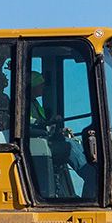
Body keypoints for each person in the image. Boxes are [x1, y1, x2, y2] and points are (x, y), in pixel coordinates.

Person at [28, 70, 94, 198]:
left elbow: (40, 122)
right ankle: (90, 176)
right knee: (68, 146)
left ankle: (91, 175)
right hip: (35, 143)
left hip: (42, 138)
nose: (43, 87)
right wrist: (49, 128)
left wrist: (54, 126)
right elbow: (29, 126)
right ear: (34, 86)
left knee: (75, 143)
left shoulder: (34, 103)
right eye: (40, 84)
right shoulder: (26, 105)